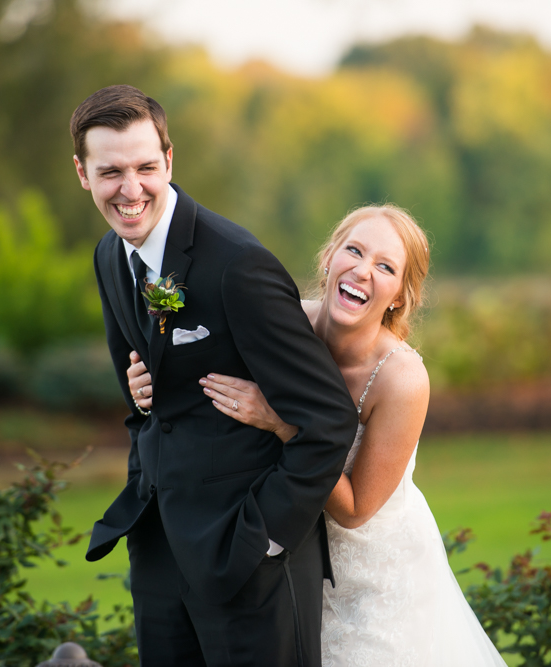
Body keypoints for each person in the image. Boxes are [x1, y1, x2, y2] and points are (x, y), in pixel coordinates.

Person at [72, 84, 358, 666]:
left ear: (169, 161)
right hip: (159, 549)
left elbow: (329, 421)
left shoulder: (237, 266)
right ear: (82, 172)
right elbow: (145, 406)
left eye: (146, 167)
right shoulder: (110, 255)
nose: (131, 190)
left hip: (248, 558)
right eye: (110, 172)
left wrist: (266, 537)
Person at [162, 205, 508, 665]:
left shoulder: (400, 380)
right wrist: (144, 380)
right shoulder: (282, 326)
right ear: (329, 257)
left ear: (401, 296)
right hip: (292, 555)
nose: (363, 271)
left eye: (385, 267)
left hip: (376, 573)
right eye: (355, 251)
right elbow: (200, 375)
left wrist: (284, 426)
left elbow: (356, 511)